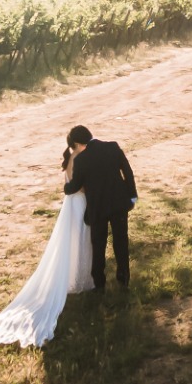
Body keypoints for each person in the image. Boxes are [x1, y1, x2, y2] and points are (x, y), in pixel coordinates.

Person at [0, 140, 95, 347]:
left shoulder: (71, 158)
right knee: (80, 238)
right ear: (77, 143)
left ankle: (78, 276)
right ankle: (81, 277)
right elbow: (78, 186)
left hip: (72, 204)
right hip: (79, 202)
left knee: (73, 240)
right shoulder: (77, 158)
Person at [61, 124, 136, 291]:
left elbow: (75, 186)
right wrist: (132, 196)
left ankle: (99, 283)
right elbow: (127, 172)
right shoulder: (112, 147)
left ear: (77, 143)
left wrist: (66, 188)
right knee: (121, 241)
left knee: (98, 244)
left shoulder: (81, 160)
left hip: (97, 206)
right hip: (118, 203)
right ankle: (123, 279)